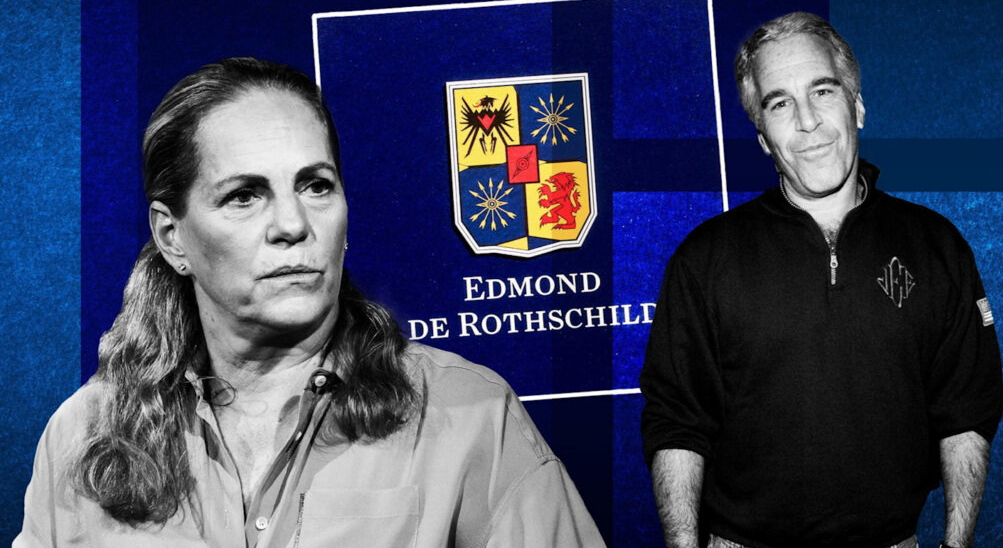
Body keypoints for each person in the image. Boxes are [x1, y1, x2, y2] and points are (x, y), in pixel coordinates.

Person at [16, 58, 605, 547]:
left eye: (316, 185)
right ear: (173, 237)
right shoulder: (81, 437)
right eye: (245, 195)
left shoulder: (470, 416)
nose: (294, 225)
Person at [640, 12, 1003, 548]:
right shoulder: (705, 259)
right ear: (763, 138)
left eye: (823, 91)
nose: (807, 121)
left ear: (857, 106)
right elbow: (677, 423)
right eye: (779, 103)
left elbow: (966, 409)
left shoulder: (936, 246)